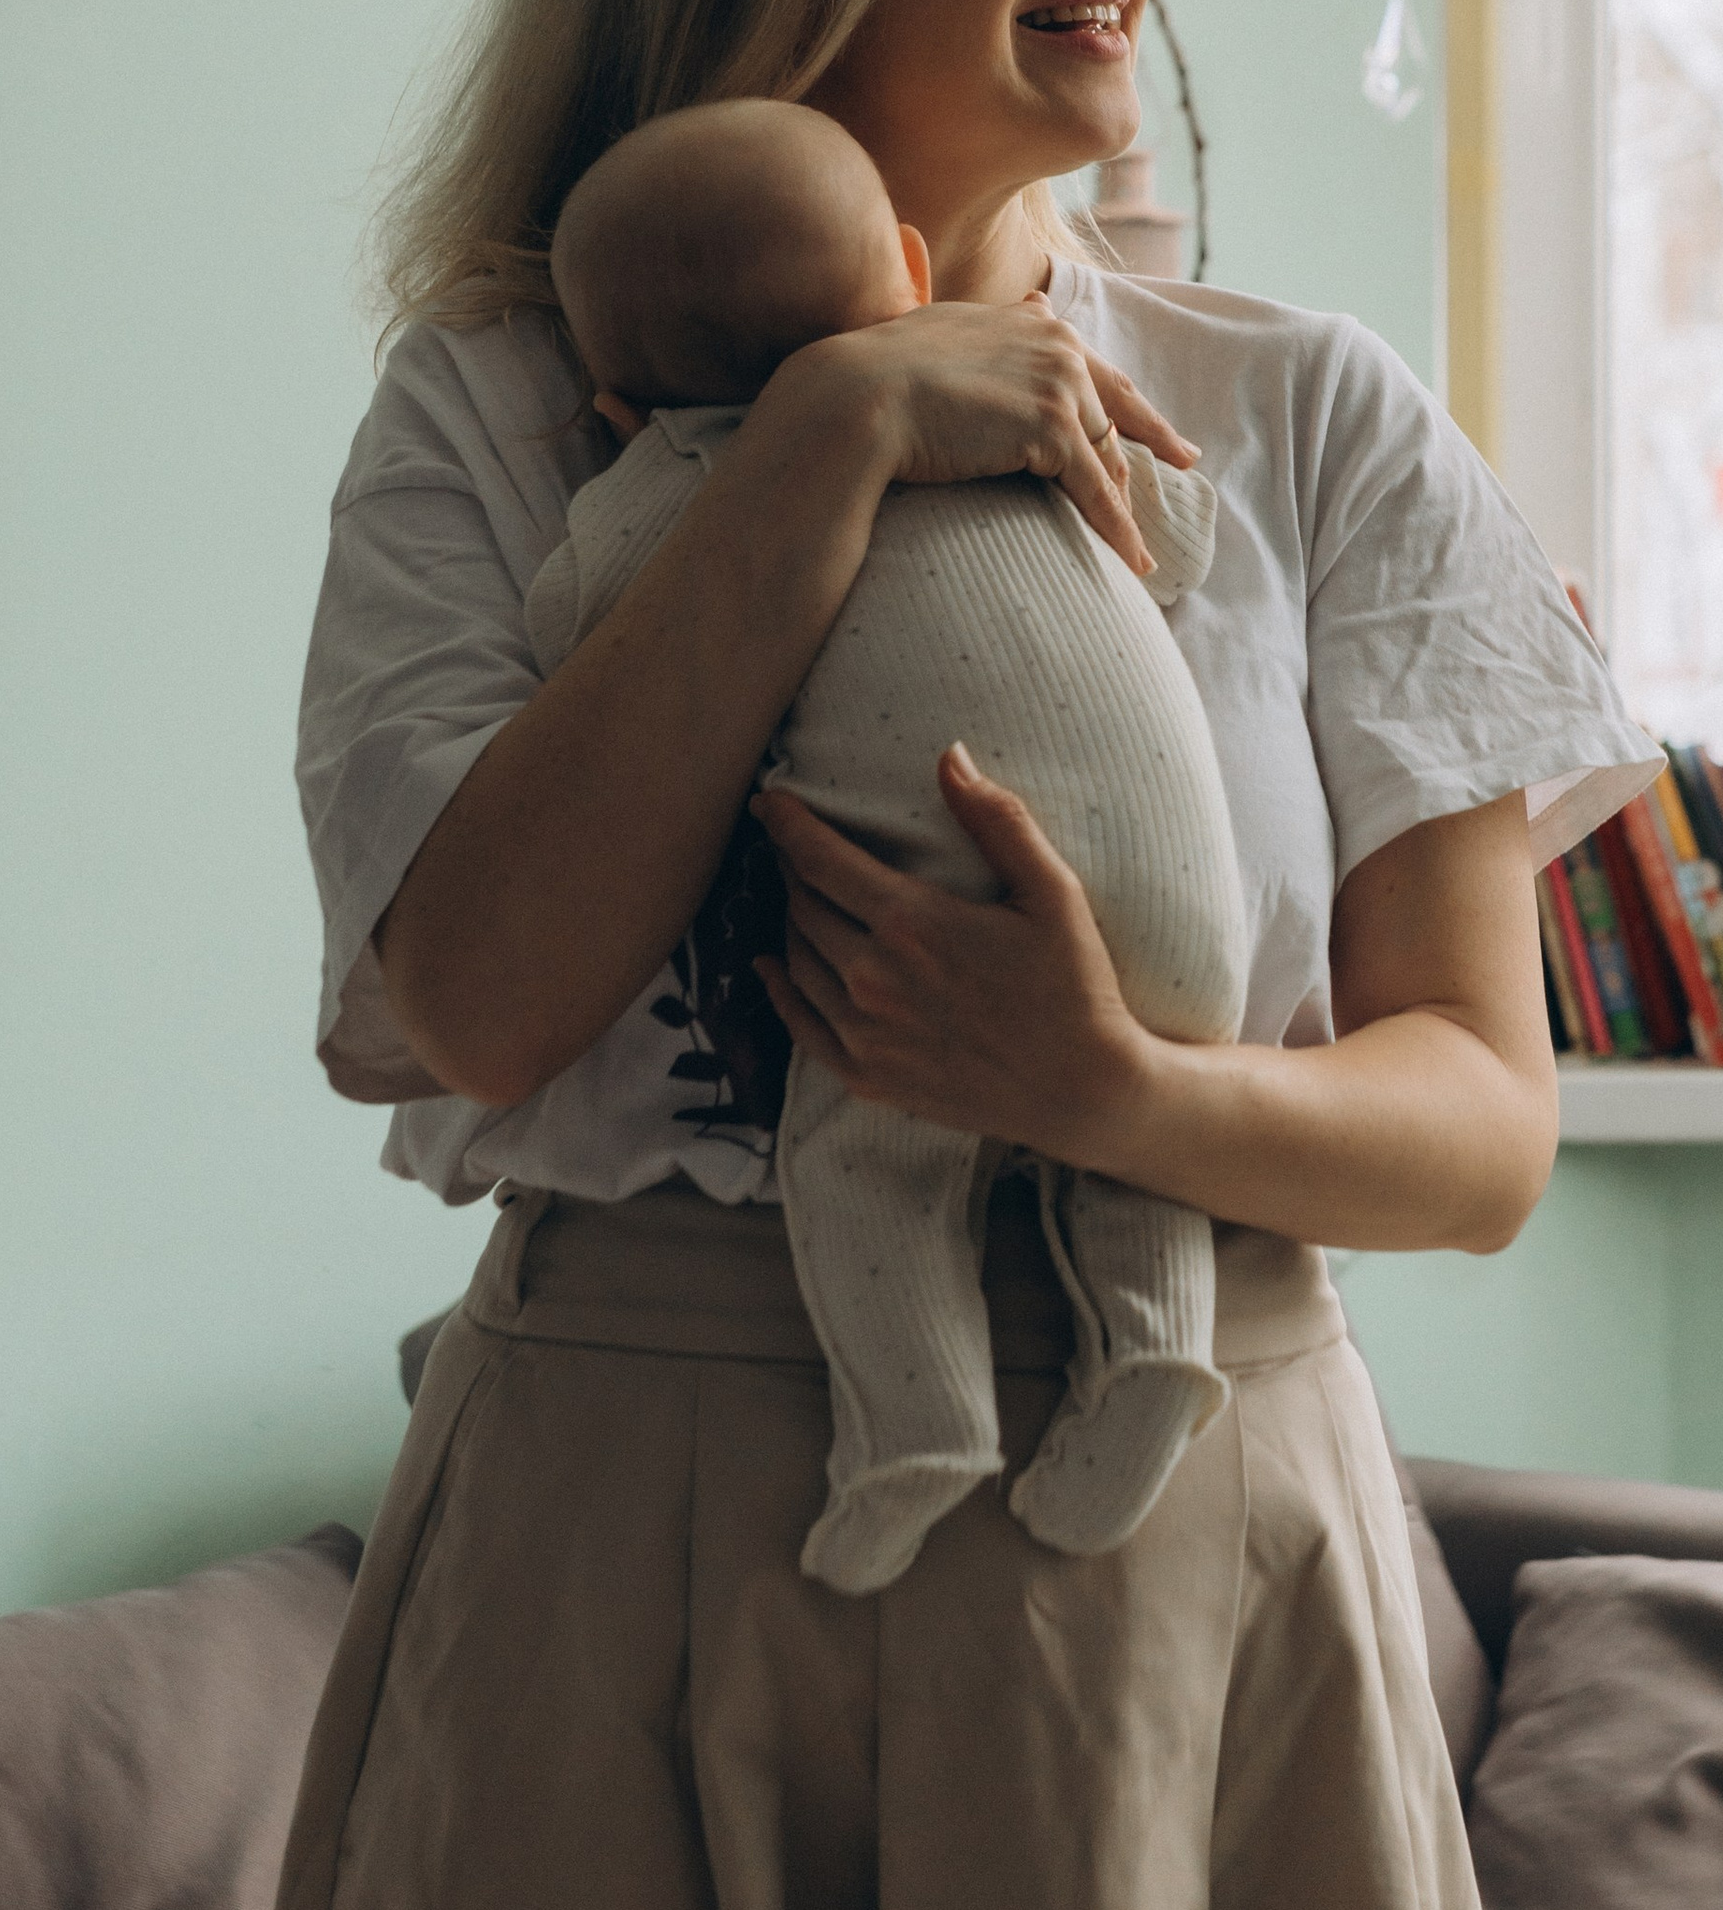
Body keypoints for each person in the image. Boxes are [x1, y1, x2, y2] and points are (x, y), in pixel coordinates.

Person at [199, 0, 1659, 1910]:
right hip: (637, 1581)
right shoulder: (492, 424)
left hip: (1190, 1585)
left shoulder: (1312, 421)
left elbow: (1477, 1124)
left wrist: (1114, 1096)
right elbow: (460, 995)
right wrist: (840, 428)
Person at [526, 93, 1245, 1590]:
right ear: (912, 272)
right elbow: (1177, 545)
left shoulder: (678, 486)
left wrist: (633, 482)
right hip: (1195, 916)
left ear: (614, 394)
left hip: (938, 920)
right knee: (1143, 1142)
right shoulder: (1029, 402)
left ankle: (916, 1423)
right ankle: (1162, 1347)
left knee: (871, 1159)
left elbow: (582, 645)